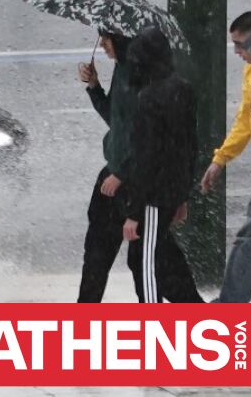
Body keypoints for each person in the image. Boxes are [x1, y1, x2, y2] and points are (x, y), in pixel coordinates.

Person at [122, 27, 203, 303]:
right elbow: (188, 148)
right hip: (171, 191)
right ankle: (190, 306)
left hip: (153, 197)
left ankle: (153, 324)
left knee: (147, 261)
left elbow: (147, 158)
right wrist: (182, 195)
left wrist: (135, 211)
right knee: (152, 255)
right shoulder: (183, 89)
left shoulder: (149, 98)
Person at [202, 12, 251, 314]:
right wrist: (220, 159)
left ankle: (228, 307)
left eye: (239, 44)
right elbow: (245, 121)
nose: (237, 52)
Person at [75, 32, 137, 302]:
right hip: (113, 171)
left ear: (120, 39)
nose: (101, 45)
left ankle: (196, 311)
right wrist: (94, 86)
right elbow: (115, 118)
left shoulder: (138, 75)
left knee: (155, 260)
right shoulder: (121, 69)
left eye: (106, 39)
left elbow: (146, 134)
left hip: (131, 177)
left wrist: (122, 173)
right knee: (96, 250)